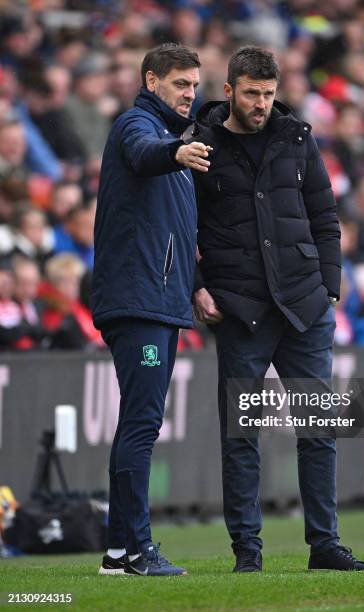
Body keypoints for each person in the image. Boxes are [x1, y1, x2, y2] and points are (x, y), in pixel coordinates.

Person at [192, 46, 364, 572]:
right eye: (251, 93)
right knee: (241, 436)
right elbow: (182, 228)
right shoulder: (200, 146)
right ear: (229, 90)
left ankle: (325, 545)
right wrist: (198, 287)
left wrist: (330, 287)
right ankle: (247, 552)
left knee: (319, 430)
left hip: (304, 305)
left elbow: (325, 214)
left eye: (268, 94)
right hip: (241, 309)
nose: (261, 103)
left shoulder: (298, 139)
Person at [92, 43, 211, 577]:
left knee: (136, 425)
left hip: (159, 300)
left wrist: (198, 285)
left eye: (194, 85)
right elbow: (142, 154)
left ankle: (120, 552)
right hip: (139, 300)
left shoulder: (174, 143)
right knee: (141, 426)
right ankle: (137, 548)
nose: (190, 94)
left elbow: (182, 235)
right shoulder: (137, 127)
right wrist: (175, 154)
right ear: (151, 80)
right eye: (180, 84)